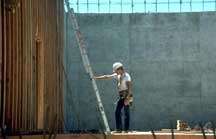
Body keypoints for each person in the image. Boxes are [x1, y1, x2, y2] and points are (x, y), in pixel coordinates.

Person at [93, 62, 132, 133]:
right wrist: (95, 78)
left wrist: (127, 98)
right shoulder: (118, 75)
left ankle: (126, 130)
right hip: (121, 96)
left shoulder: (126, 76)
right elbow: (107, 77)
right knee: (117, 111)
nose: (115, 72)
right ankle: (119, 129)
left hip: (127, 95)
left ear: (120, 69)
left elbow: (129, 87)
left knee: (126, 113)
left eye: (116, 70)